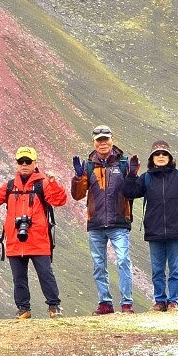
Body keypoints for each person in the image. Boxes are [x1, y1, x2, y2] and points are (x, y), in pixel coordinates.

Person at [122, 141, 178, 312]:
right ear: (152, 158)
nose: (160, 157)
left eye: (164, 154)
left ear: (170, 157)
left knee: (175, 269)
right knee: (157, 270)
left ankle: (173, 302)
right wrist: (132, 174)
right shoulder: (146, 178)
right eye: (157, 154)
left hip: (177, 230)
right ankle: (160, 301)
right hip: (154, 230)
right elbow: (129, 192)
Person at [0, 147, 67, 319]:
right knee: (18, 278)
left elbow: (59, 200)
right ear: (16, 164)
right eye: (21, 161)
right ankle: (23, 309)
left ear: (35, 163)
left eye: (28, 161)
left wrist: (54, 183)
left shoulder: (43, 183)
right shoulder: (10, 185)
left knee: (45, 274)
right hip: (15, 240)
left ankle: (54, 306)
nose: (25, 164)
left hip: (38, 240)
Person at [71, 125, 136, 314]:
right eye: (99, 140)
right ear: (94, 142)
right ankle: (105, 302)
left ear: (112, 140)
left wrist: (132, 175)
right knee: (99, 265)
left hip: (119, 223)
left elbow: (134, 191)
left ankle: (127, 303)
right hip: (96, 223)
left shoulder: (123, 163)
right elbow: (77, 195)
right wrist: (77, 177)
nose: (103, 143)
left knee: (123, 260)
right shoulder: (88, 166)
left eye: (105, 139)